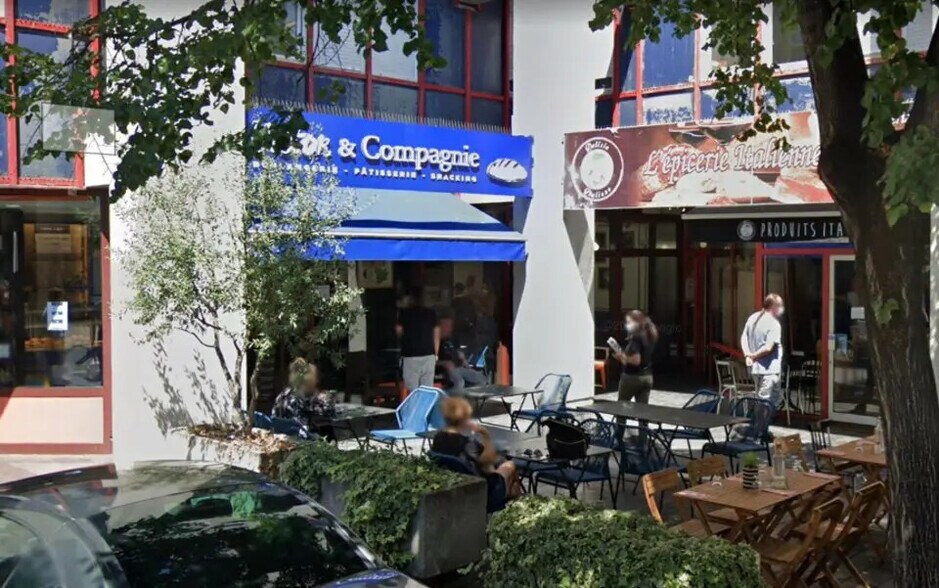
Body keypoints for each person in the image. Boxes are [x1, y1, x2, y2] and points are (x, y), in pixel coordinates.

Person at [431, 396, 522, 499]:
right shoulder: (468, 444)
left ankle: (513, 498)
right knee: (510, 465)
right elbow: (488, 463)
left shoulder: (438, 438)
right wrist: (485, 435)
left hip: (456, 483)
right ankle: (519, 502)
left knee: (510, 484)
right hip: (482, 489)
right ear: (463, 420)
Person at [740, 293, 785, 408]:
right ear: (773, 306)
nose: (782, 309)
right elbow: (768, 348)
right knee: (767, 402)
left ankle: (758, 417)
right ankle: (761, 419)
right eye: (780, 306)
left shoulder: (753, 318)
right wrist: (753, 356)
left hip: (755, 369)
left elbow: (744, 337)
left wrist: (747, 355)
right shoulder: (773, 324)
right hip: (769, 370)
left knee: (761, 399)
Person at [273, 358, 335, 439]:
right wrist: (327, 398)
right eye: (315, 378)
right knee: (327, 430)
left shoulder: (285, 394)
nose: (317, 381)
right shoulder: (297, 399)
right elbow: (328, 412)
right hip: (296, 438)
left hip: (281, 436)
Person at [396, 287, 439, 391]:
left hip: (410, 355)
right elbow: (436, 334)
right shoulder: (431, 313)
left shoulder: (404, 313)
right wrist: (436, 354)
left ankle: (414, 402)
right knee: (427, 389)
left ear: (410, 299)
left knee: (412, 390)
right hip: (429, 354)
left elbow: (399, 331)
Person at [613, 310, 658, 405]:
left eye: (629, 322)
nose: (627, 325)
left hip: (632, 377)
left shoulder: (636, 337)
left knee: (622, 406)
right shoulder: (650, 335)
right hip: (647, 376)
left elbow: (636, 360)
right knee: (642, 409)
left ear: (637, 322)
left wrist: (622, 356)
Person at [437, 315, 487, 395]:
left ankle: (473, 400)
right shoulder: (437, 342)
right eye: (446, 326)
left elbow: (459, 352)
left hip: (460, 368)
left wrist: (464, 360)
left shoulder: (453, 339)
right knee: (460, 383)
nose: (449, 328)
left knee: (482, 380)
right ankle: (449, 398)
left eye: (450, 326)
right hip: (447, 370)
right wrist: (445, 363)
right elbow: (433, 360)